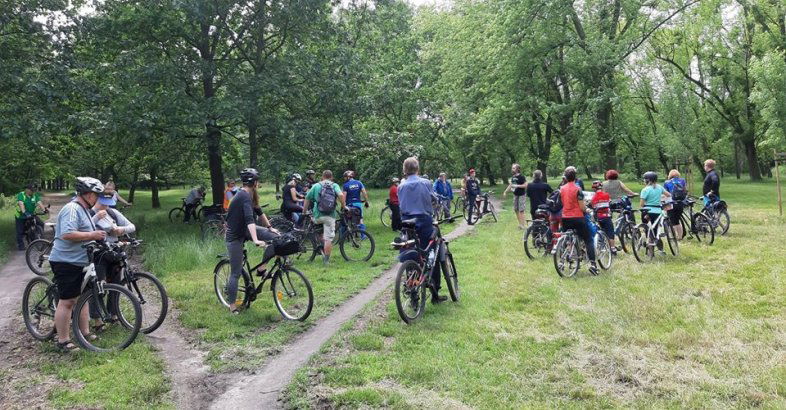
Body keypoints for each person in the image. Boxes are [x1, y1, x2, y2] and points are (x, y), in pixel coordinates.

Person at [49, 177, 108, 352]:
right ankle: (63, 341)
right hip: (66, 261)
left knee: (83, 298)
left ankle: (84, 332)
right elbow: (67, 234)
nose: (98, 199)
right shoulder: (72, 209)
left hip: (80, 260)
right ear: (89, 195)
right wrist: (93, 235)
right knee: (67, 301)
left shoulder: (83, 210)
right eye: (97, 195)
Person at [225, 168, 280, 314]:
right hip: (234, 236)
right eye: (258, 180)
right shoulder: (243, 196)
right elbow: (249, 219)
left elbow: (259, 212)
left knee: (276, 238)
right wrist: (256, 239)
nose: (259, 182)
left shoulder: (251, 194)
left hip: (247, 229)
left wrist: (270, 228)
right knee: (235, 273)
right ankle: (232, 305)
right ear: (254, 182)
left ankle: (261, 269)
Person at [398, 157, 447, 303]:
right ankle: (435, 292)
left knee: (410, 253)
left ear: (404, 170)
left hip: (407, 223)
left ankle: (413, 295)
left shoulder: (401, 186)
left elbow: (401, 205)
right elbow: (434, 198)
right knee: (433, 252)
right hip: (424, 221)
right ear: (417, 169)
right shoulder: (425, 183)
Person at [90, 186, 136, 329]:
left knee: (116, 284)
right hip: (98, 254)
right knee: (99, 285)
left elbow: (132, 226)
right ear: (96, 199)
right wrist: (96, 217)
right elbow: (83, 230)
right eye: (102, 202)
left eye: (108, 203)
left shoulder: (113, 213)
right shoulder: (89, 213)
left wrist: (121, 230)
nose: (105, 206)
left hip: (114, 252)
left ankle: (114, 314)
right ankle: (97, 320)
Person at [559, 167, 598, 275]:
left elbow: (563, 203)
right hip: (577, 217)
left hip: (565, 218)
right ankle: (593, 265)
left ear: (565, 177)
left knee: (567, 238)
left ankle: (563, 259)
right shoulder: (578, 189)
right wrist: (587, 209)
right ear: (575, 177)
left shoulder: (561, 189)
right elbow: (581, 207)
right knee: (588, 239)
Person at [304, 170, 346, 265]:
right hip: (330, 216)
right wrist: (344, 206)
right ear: (331, 177)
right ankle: (326, 261)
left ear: (322, 177)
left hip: (317, 216)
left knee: (317, 227)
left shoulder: (316, 185)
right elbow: (341, 195)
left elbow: (307, 198)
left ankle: (319, 244)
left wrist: (304, 212)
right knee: (328, 238)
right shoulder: (334, 185)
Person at [640, 172, 671, 252]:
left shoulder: (645, 190)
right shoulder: (659, 187)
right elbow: (668, 195)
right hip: (657, 212)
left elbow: (642, 204)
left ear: (647, 180)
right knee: (656, 231)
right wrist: (661, 197)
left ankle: (650, 251)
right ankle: (660, 249)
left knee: (648, 229)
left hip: (647, 212)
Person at [15, 184, 46, 250]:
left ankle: (39, 237)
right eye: (31, 190)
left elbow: (39, 202)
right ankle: (21, 246)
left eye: (33, 190)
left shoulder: (34, 195)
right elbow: (21, 203)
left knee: (41, 223)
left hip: (31, 214)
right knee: (20, 231)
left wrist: (44, 210)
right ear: (27, 190)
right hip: (21, 216)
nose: (33, 192)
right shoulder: (21, 194)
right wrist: (24, 212)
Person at [590, 181, 616, 255]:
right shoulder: (606, 195)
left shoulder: (594, 197)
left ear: (594, 189)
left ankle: (602, 245)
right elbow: (610, 203)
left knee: (601, 231)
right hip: (606, 216)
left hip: (598, 217)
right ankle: (613, 249)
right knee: (610, 232)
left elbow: (593, 206)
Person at [664, 169, 687, 239]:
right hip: (680, 203)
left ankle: (673, 236)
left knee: (672, 221)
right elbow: (685, 191)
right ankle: (680, 236)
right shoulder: (682, 181)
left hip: (671, 203)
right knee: (677, 220)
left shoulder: (667, 182)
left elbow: (665, 194)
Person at [503, 164, 528, 229]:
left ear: (518, 169)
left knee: (521, 210)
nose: (512, 169)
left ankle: (523, 225)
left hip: (521, 195)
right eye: (512, 168)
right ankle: (520, 224)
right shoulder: (513, 177)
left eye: (513, 168)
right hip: (515, 195)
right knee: (516, 209)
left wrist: (517, 186)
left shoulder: (522, 177)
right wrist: (505, 192)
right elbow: (511, 185)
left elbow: (525, 185)